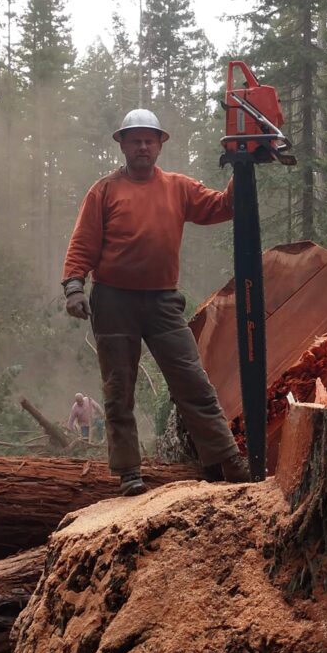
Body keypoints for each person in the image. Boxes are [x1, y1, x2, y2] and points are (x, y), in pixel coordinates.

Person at [61, 108, 250, 496]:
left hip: (163, 302)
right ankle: (129, 472)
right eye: (135, 140)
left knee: (192, 381)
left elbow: (223, 206)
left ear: (160, 145)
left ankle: (227, 459)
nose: (143, 146)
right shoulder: (104, 191)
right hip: (113, 301)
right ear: (123, 145)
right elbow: (83, 242)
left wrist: (242, 167)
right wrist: (74, 287)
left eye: (150, 140)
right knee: (118, 390)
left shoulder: (178, 188)